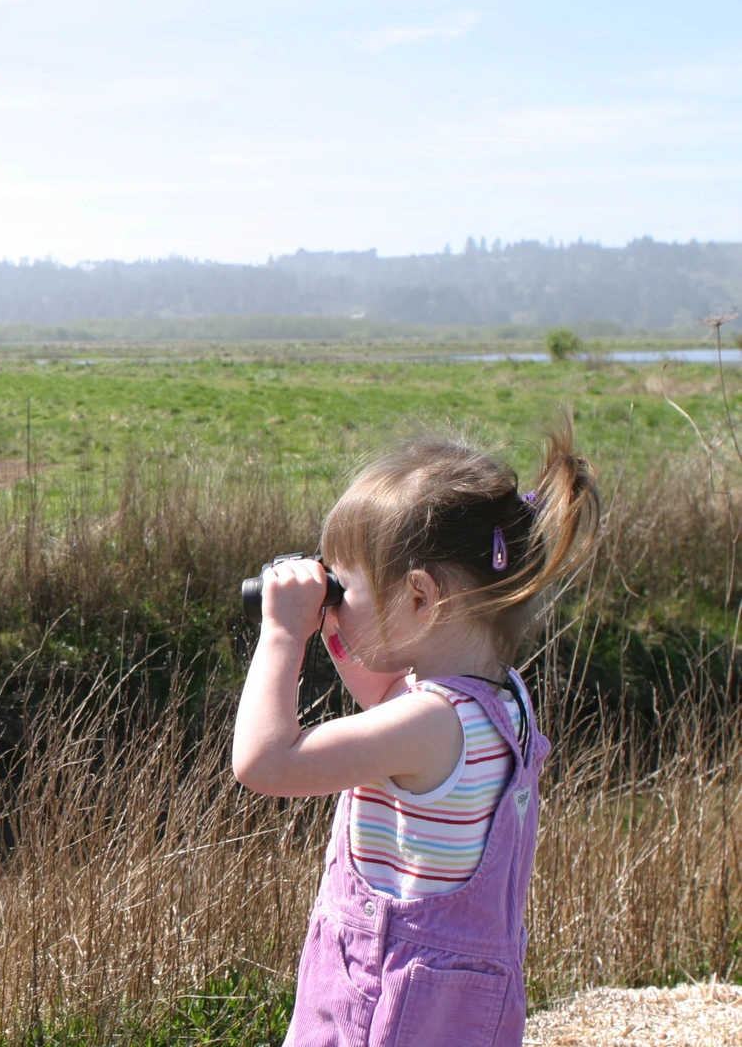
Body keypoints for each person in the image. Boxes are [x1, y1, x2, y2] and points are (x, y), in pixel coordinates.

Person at [232, 418, 600, 1047]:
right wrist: (333, 623)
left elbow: (265, 761)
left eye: (344, 589)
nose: (335, 603)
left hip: (384, 1009)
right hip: (453, 1012)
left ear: (422, 597)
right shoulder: (496, 698)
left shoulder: (429, 722)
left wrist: (282, 635)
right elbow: (382, 695)